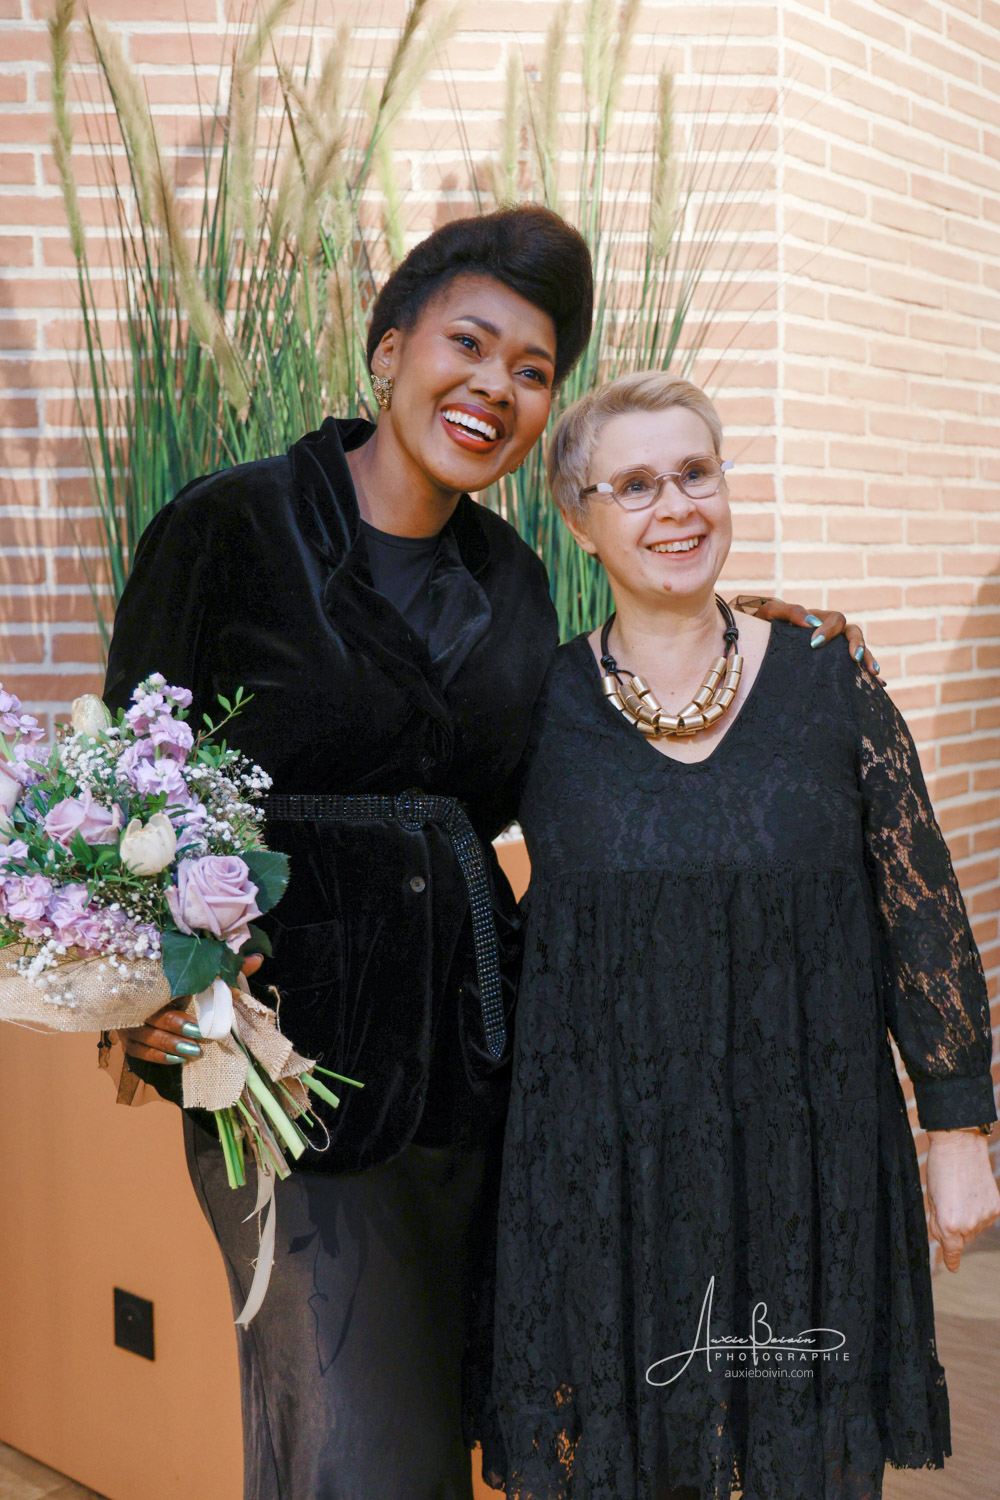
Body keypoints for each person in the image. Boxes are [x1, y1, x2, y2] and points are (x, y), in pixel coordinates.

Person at [100, 208, 868, 1500]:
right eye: (468, 342)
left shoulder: (512, 578)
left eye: (531, 369)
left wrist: (730, 641)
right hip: (289, 1075)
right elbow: (132, 777)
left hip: (487, 1067)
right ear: (389, 349)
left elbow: (585, 738)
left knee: (466, 1426)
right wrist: (148, 1000)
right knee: (357, 1449)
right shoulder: (232, 526)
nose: (495, 386)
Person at [490, 370, 1000, 1500]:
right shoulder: (536, 704)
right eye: (634, 485)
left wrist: (957, 1123)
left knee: (808, 1464)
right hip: (611, 1178)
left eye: (695, 472)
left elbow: (918, 902)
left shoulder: (828, 675)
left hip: (809, 1162)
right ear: (578, 521)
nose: (675, 506)